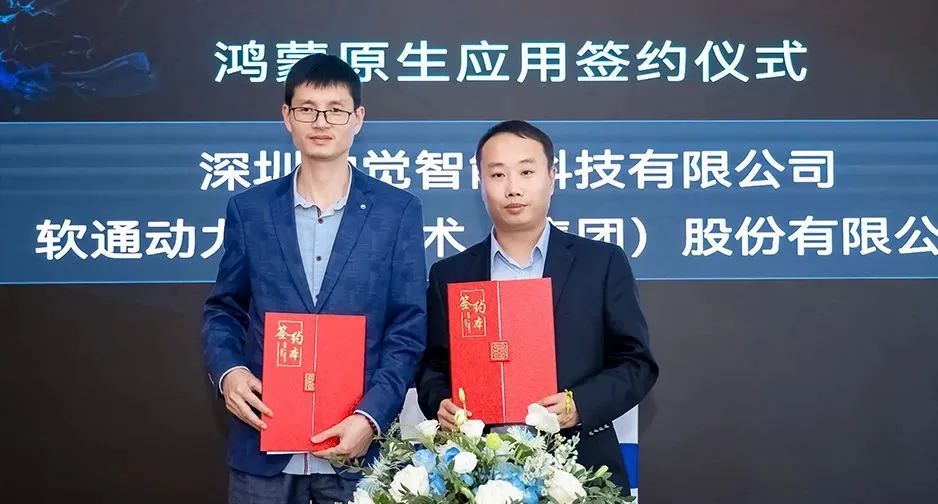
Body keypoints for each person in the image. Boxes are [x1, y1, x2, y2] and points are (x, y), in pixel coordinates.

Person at [202, 54, 427, 504]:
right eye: (307, 108)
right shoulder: (251, 210)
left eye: (336, 110)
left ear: (358, 119)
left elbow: (407, 326)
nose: (321, 122)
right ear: (287, 117)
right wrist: (229, 373)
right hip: (262, 449)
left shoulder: (396, 212)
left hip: (356, 455)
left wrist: (372, 417)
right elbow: (224, 309)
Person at [416, 120, 658, 494]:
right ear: (480, 183)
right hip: (474, 476)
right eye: (497, 174)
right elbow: (433, 364)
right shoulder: (450, 274)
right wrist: (440, 403)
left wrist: (579, 405)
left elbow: (636, 364)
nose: (512, 188)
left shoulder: (601, 263)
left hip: (579, 472)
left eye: (526, 172)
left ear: (552, 178)